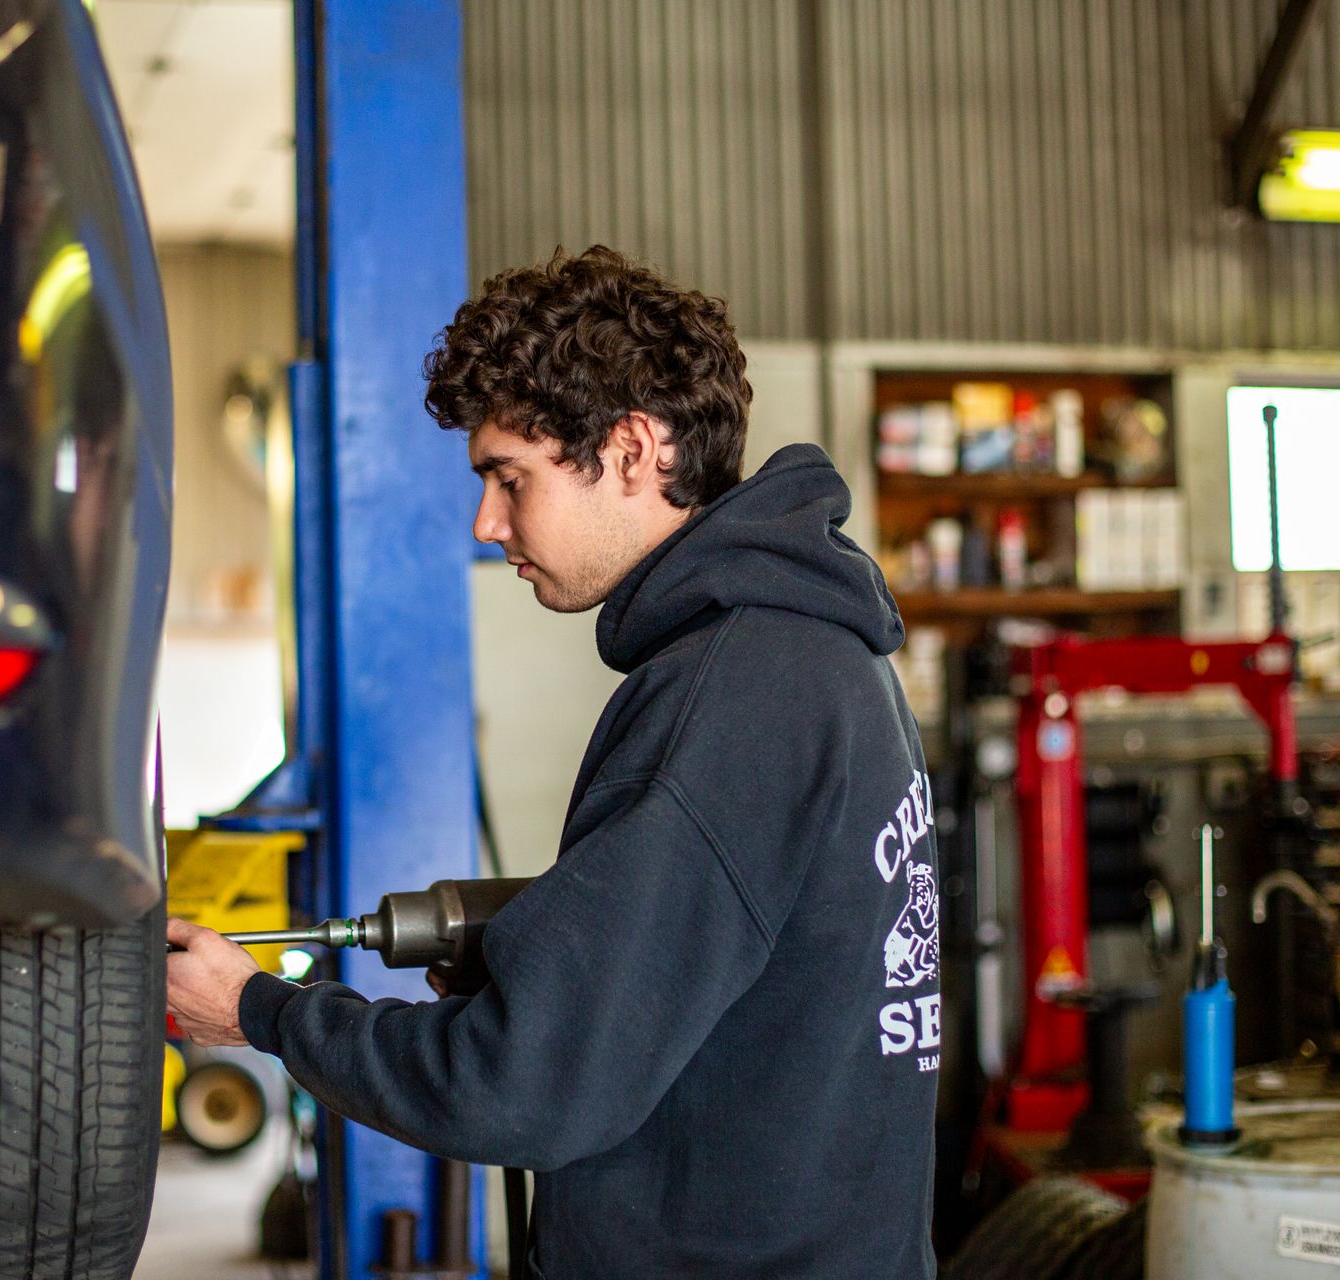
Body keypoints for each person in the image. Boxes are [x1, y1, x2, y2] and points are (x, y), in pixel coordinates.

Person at [165, 246, 940, 1279]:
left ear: (631, 451)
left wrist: (263, 1009)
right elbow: (762, 972)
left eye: (507, 476)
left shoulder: (732, 694)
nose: (487, 524)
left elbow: (520, 1088)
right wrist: (543, 955)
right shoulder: (816, 658)